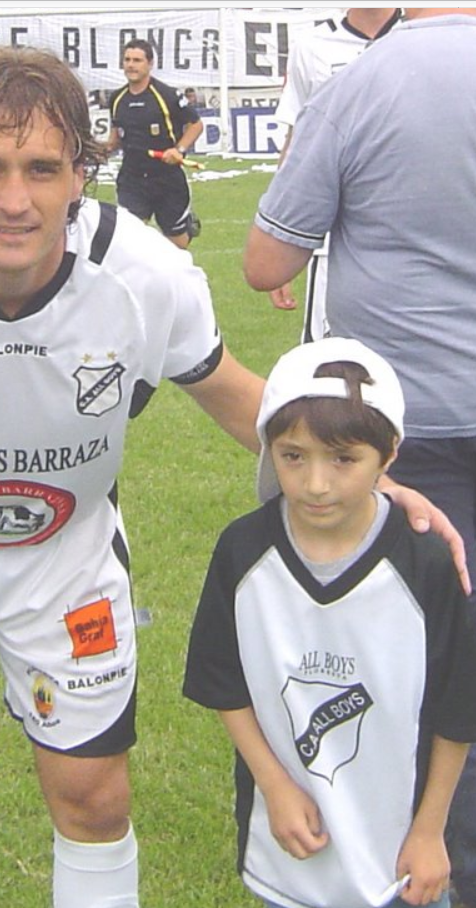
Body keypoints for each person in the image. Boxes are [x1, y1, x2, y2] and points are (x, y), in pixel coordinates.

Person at [0, 42, 463, 908]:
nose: (15, 200)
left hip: (66, 555)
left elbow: (233, 392)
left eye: (44, 169)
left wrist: (373, 489)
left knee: (93, 796)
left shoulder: (141, 274)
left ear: (81, 174)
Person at [243, 11, 476, 905]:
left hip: (402, 437)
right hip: (408, 438)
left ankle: (423, 861)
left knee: (409, 675)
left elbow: (268, 261)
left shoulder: (365, 81)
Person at [184, 337, 476, 908]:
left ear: (389, 455)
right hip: (292, 841)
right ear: (270, 449)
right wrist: (274, 784)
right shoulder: (243, 552)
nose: (316, 484)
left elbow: (457, 707)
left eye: (343, 459)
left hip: (401, 856)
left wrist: (429, 829)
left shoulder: (425, 564)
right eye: (294, 456)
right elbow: (224, 683)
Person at [267, 7, 401, 335]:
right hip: (333, 243)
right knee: (332, 364)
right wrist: (279, 247)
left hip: (411, 236)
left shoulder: (422, 35)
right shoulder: (312, 46)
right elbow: (296, 143)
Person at [107, 38, 203, 249]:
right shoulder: (116, 99)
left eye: (137, 60)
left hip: (167, 180)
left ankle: (186, 226)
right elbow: (114, 141)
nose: (131, 65)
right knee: (130, 242)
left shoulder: (167, 95)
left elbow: (196, 125)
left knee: (176, 246)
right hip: (132, 180)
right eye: (127, 60)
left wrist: (178, 150)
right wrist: (96, 151)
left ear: (150, 64)